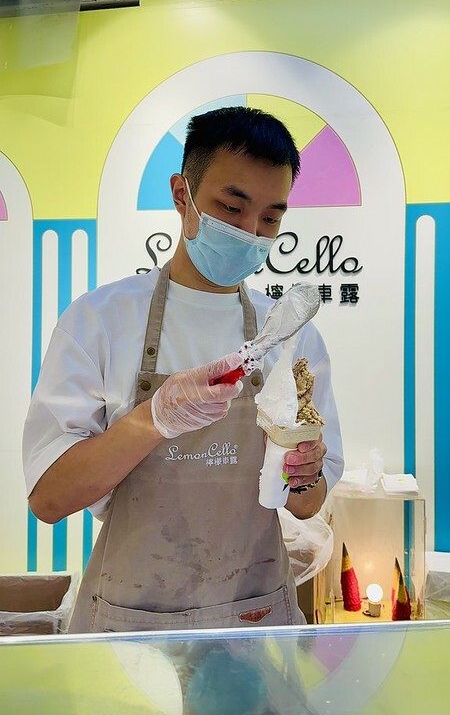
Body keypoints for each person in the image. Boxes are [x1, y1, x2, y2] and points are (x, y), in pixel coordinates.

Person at [23, 106, 343, 635]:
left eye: (270, 219)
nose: (251, 232)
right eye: (232, 207)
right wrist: (151, 419)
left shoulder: (290, 336)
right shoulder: (99, 321)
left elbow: (308, 505)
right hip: (130, 623)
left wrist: (302, 472)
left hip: (252, 616)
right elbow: (49, 500)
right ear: (181, 194)